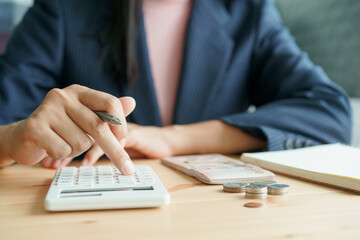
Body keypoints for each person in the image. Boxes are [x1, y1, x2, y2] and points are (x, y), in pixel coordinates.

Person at [0, 0, 352, 175]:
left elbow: (329, 111)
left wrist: (170, 139)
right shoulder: (62, 9)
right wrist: (13, 138)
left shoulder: (248, 11)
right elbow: (7, 124)